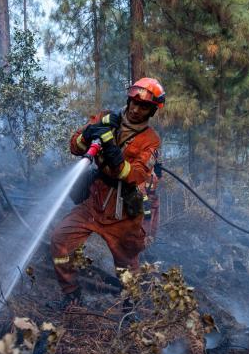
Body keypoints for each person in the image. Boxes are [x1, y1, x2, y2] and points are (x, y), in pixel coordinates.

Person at [50, 78, 165, 307]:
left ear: (152, 110)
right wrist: (91, 131)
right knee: (59, 241)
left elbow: (135, 175)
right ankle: (71, 296)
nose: (134, 109)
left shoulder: (150, 140)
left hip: (123, 211)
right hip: (95, 201)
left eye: (142, 106)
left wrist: (113, 149)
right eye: (133, 102)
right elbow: (75, 146)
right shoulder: (106, 118)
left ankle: (129, 308)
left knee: (126, 266)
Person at [140, 156, 162, 247]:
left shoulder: (153, 171)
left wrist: (158, 174)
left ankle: (149, 243)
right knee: (145, 223)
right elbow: (140, 187)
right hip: (144, 200)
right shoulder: (142, 170)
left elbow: (154, 183)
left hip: (153, 200)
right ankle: (140, 247)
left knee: (154, 225)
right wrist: (145, 202)